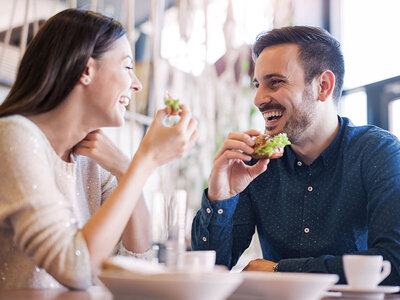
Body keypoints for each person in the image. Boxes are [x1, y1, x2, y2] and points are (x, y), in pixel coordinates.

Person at [0, 9, 198, 290]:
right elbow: (76, 268)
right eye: (128, 66)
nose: (137, 84)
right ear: (86, 70)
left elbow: (137, 264)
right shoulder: (13, 136)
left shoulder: (91, 161)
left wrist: (126, 168)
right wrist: (146, 160)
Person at [191, 26, 400, 285]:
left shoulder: (377, 152)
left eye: (275, 82)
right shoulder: (254, 165)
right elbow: (207, 273)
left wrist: (280, 271)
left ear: (323, 86)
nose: (258, 99)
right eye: (257, 85)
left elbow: (394, 263)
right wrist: (220, 197)